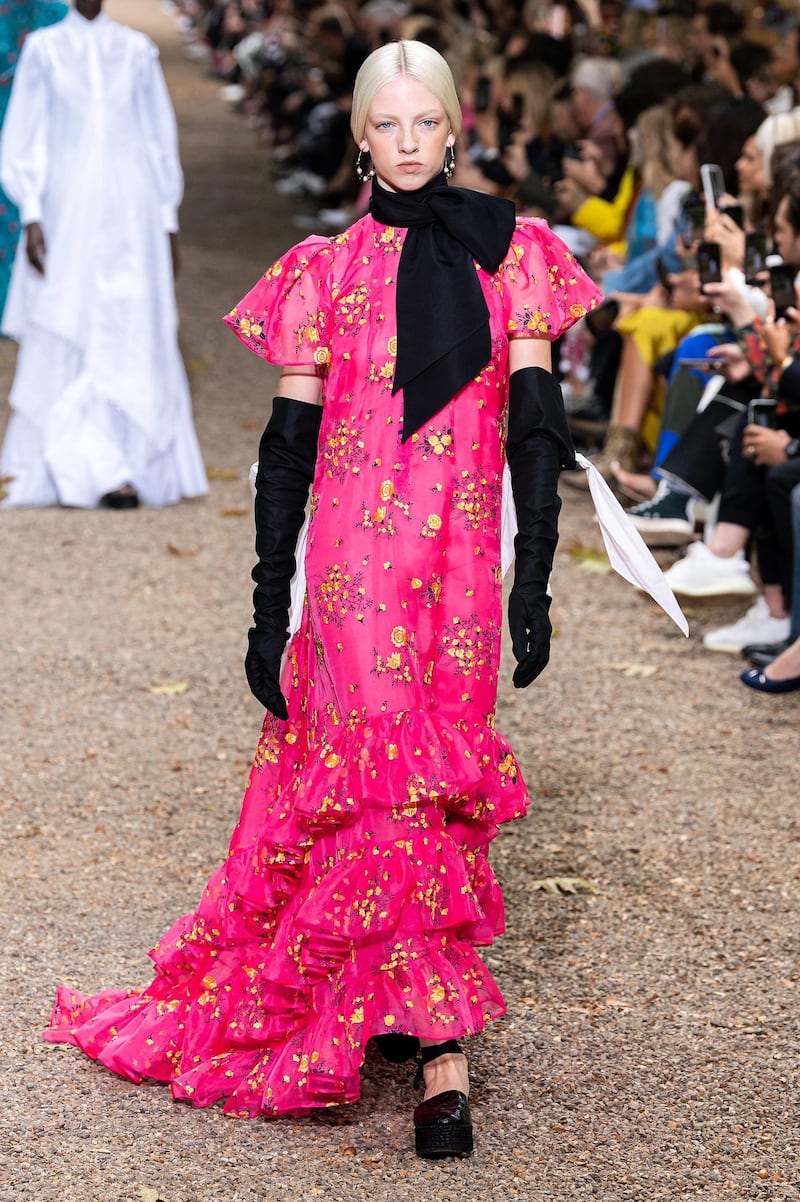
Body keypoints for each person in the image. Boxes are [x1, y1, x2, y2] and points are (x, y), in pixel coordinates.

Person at [43, 39, 602, 1159]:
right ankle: (442, 1059)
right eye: (385, 126)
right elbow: (287, 444)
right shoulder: (325, 269)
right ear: (360, 136)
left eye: (423, 124)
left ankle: (397, 980)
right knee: (384, 787)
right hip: (352, 575)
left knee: (437, 789)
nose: (405, 144)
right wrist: (266, 597)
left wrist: (533, 570)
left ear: (454, 130)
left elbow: (538, 424)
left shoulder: (518, 253)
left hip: (457, 568)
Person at [0, 0, 207, 509]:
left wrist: (167, 221)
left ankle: (127, 465)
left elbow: (159, 139)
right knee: (72, 320)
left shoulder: (136, 50)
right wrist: (30, 213)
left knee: (130, 324)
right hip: (66, 207)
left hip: (133, 213)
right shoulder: (46, 50)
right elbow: (24, 134)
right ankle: (77, 465)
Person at [0, 0, 68, 325]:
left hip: (40, 129)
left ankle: (25, 304)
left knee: (31, 207)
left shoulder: (55, 16)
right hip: (30, 124)